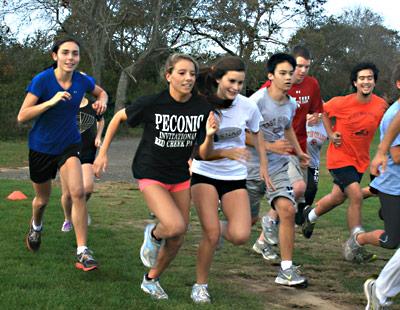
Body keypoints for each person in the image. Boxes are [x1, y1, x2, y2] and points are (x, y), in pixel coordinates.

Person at [93, 53, 218, 300]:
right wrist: (102, 153)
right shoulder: (153, 103)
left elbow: (204, 152)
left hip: (180, 175)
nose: (188, 78)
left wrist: (210, 135)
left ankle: (151, 280)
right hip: (150, 171)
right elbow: (118, 117)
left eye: (192, 74)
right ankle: (152, 234)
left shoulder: (202, 108)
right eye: (181, 73)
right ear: (168, 76)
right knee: (173, 225)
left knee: (178, 236)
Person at [17, 38, 108, 271]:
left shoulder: (81, 80)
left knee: (78, 192)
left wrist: (102, 102)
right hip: (41, 147)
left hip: (69, 144)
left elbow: (101, 92)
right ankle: (36, 226)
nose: (70, 58)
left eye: (75, 54)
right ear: (54, 56)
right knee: (42, 200)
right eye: (65, 53)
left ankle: (83, 251)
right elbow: (22, 115)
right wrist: (51, 101)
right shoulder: (42, 80)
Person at [189, 56, 269, 303]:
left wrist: (264, 165)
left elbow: (257, 135)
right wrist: (215, 142)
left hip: (235, 176)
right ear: (217, 79)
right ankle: (200, 286)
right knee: (211, 235)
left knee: (240, 235)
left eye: (240, 82)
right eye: (231, 81)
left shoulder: (248, 107)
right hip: (205, 173)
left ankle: (210, 228)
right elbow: (200, 150)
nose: (236, 87)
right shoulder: (202, 106)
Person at [301, 62, 387, 262]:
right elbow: (322, 112)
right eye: (362, 78)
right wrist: (330, 134)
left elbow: (389, 125)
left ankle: (310, 216)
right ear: (355, 83)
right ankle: (355, 245)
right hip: (339, 157)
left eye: (370, 78)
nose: (366, 82)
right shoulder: (340, 102)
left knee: (338, 197)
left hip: (360, 160)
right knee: (355, 195)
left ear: (374, 81)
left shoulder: (380, 105)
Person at [247, 53, 310, 286]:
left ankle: (286, 270)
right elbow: (240, 135)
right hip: (250, 168)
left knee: (287, 209)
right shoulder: (256, 101)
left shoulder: (291, 104)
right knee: (245, 225)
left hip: (276, 166)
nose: (287, 77)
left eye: (290, 73)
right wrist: (270, 145)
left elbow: (288, 128)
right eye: (282, 73)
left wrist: (298, 151)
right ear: (270, 75)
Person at [253, 46, 323, 251]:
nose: (300, 71)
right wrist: (269, 145)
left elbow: (293, 123)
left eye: (305, 67)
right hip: (271, 153)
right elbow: (248, 129)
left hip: (296, 148)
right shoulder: (265, 94)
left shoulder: (306, 90)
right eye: (297, 66)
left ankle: (262, 242)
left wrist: (316, 118)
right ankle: (267, 222)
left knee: (292, 203)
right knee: (297, 189)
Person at [346, 63, 400, 309]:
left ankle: (380, 291)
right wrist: (380, 151)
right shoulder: (392, 115)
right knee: (391, 241)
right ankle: (359, 238)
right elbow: (396, 156)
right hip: (394, 186)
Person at [60, 96, 105, 232]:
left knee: (88, 188)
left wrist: (98, 136)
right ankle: (68, 219)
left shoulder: (93, 105)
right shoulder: (64, 104)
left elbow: (101, 120)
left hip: (87, 151)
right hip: (67, 152)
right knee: (68, 194)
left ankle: (81, 209)